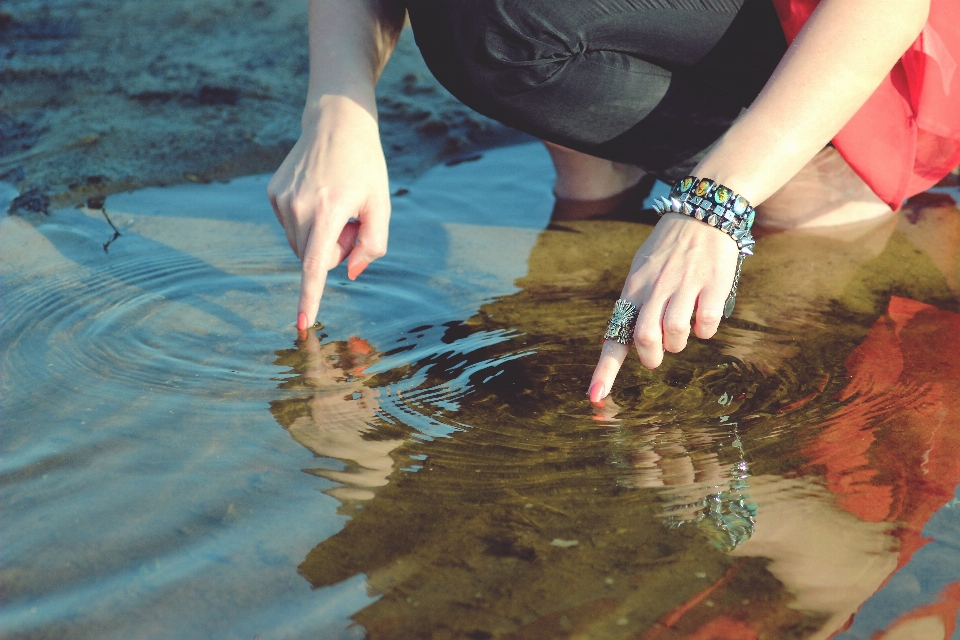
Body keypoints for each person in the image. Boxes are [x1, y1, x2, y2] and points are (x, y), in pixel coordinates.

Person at [267, 0, 959, 404]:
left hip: (865, 43)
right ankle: (598, 167)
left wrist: (715, 202)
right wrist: (338, 109)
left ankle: (818, 168)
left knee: (495, 19)